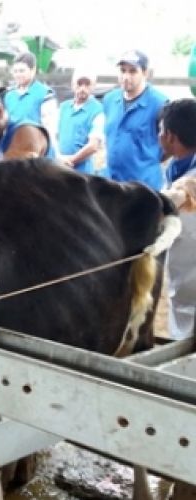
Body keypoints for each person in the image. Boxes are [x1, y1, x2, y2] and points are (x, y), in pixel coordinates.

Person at [102, 50, 168, 190]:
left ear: (145, 73)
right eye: (122, 70)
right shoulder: (110, 100)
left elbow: (169, 145)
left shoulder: (159, 104)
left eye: (132, 71)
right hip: (113, 183)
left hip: (144, 187)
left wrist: (148, 162)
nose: (126, 76)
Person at [159, 98, 196, 339]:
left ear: (170, 136)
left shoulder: (188, 182)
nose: (159, 136)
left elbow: (173, 199)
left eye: (160, 131)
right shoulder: (176, 169)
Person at [3, 52, 58, 149]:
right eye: (15, 71)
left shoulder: (45, 94)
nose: (18, 74)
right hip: (12, 147)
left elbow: (50, 128)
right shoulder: (9, 94)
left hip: (35, 148)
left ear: (33, 70)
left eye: (22, 71)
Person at [57, 71, 105, 173]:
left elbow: (94, 145)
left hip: (83, 173)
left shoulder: (98, 110)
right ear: (72, 85)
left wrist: (71, 160)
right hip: (59, 169)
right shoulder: (63, 107)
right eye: (79, 84)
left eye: (87, 84)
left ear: (94, 86)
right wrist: (58, 157)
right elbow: (53, 136)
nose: (82, 88)